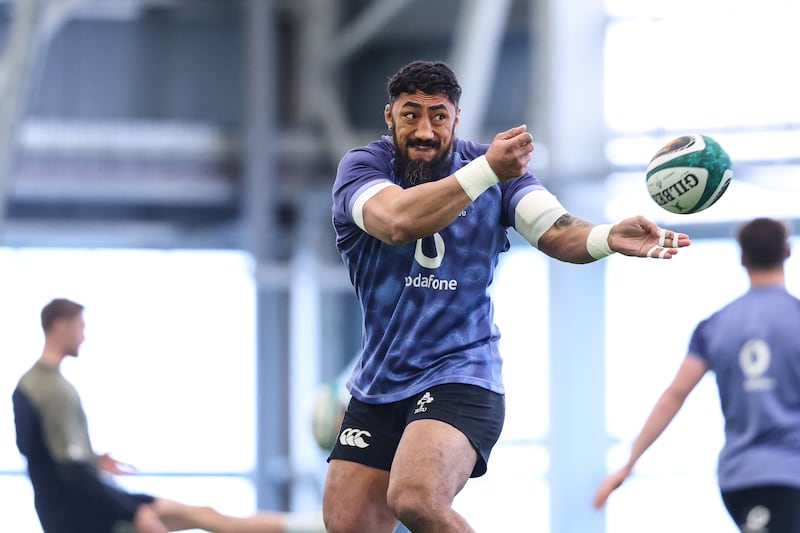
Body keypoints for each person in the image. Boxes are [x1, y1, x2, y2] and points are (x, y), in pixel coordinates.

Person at [325, 59, 692, 533]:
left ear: (456, 120)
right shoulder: (364, 167)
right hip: (378, 386)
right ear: (389, 117)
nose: (424, 128)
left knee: (414, 497)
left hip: (461, 377)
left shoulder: (499, 173)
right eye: (410, 113)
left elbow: (557, 231)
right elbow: (397, 222)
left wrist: (606, 236)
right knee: (346, 525)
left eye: (438, 115)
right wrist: (486, 170)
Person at [13, 298, 325, 533]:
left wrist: (93, 461)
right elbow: (68, 472)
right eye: (80, 327)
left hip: (66, 510)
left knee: (204, 515)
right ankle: (313, 526)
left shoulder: (34, 386)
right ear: (59, 326)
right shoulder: (50, 389)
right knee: (205, 516)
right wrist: (130, 511)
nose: (83, 336)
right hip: (81, 511)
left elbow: (48, 458)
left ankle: (309, 526)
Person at [593, 217, 800, 533]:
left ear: (742, 258)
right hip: (783, 477)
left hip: (742, 479)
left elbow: (675, 395)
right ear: (787, 251)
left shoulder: (716, 327)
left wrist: (628, 465)